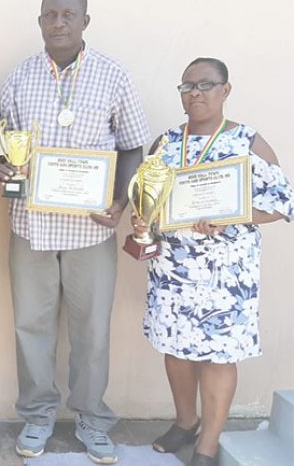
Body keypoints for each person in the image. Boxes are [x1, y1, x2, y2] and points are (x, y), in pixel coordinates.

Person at [0, 0, 150, 465]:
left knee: (91, 329)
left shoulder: (112, 76)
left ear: (86, 21)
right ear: (40, 22)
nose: (58, 23)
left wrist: (120, 200)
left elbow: (132, 145)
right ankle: (39, 414)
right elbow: (5, 148)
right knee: (30, 325)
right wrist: (6, 166)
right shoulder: (20, 78)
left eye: (68, 15)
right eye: (50, 15)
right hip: (32, 227)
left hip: (91, 230)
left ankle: (90, 417)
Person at [132, 58, 293, 466]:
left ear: (226, 90)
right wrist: (142, 216)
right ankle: (185, 423)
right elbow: (146, 197)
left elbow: (282, 204)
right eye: (187, 86)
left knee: (218, 355)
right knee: (177, 349)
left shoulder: (247, 142)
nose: (196, 93)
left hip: (227, 273)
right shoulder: (166, 142)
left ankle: (208, 443)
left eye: (206, 84)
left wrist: (236, 216)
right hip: (173, 268)